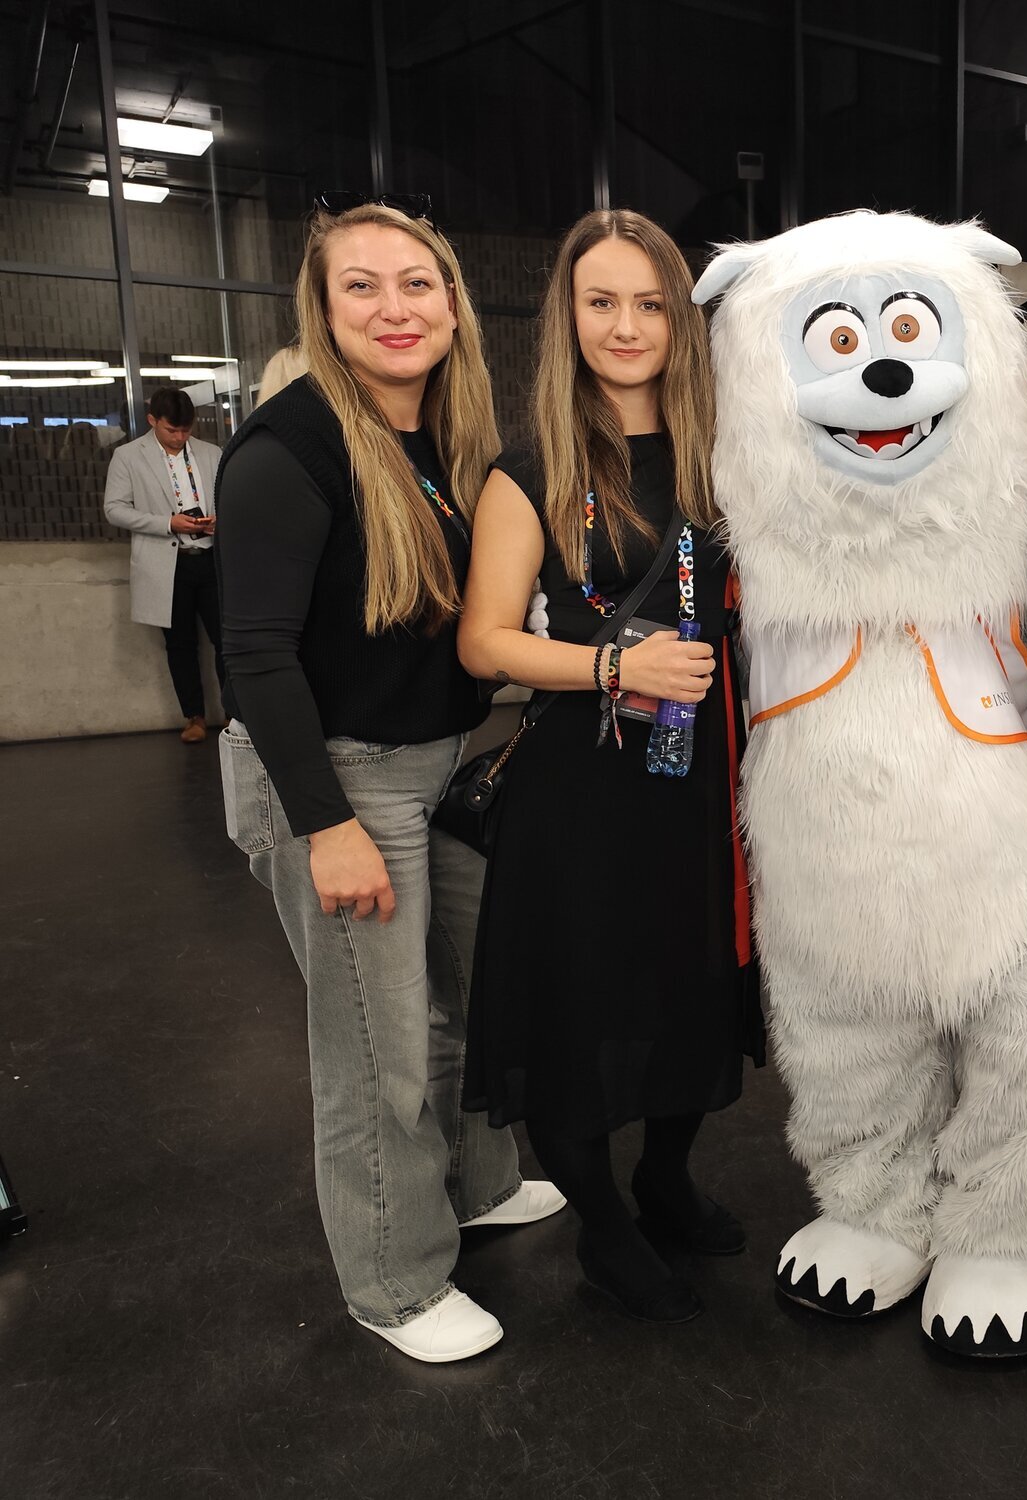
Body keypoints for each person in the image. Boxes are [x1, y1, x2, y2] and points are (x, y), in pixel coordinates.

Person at [214, 201, 562, 1365]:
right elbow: (254, 655)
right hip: (335, 775)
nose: (393, 307)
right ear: (323, 310)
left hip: (435, 767)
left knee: (468, 996)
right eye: (359, 286)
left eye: (416, 283)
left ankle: (475, 1184)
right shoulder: (290, 447)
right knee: (379, 1045)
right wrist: (327, 826)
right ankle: (394, 1280)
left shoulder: (445, 441)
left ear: (452, 303)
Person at [457, 209, 757, 1325]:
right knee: (580, 1000)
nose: (625, 326)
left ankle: (664, 1178)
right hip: (582, 787)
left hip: (700, 779)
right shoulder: (532, 468)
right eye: (600, 302)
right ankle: (603, 1225)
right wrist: (612, 665)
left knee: (692, 987)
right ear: (567, 317)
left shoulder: (731, 458)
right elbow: (484, 641)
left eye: (649, 303)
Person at [103, 387, 226, 742]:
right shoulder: (128, 456)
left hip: (212, 558)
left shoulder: (212, 453)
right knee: (180, 644)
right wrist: (167, 523)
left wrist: (220, 519)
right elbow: (114, 509)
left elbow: (229, 496)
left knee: (227, 640)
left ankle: (236, 716)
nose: (180, 437)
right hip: (167, 563)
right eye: (172, 430)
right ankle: (194, 718)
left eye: (186, 430)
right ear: (152, 420)